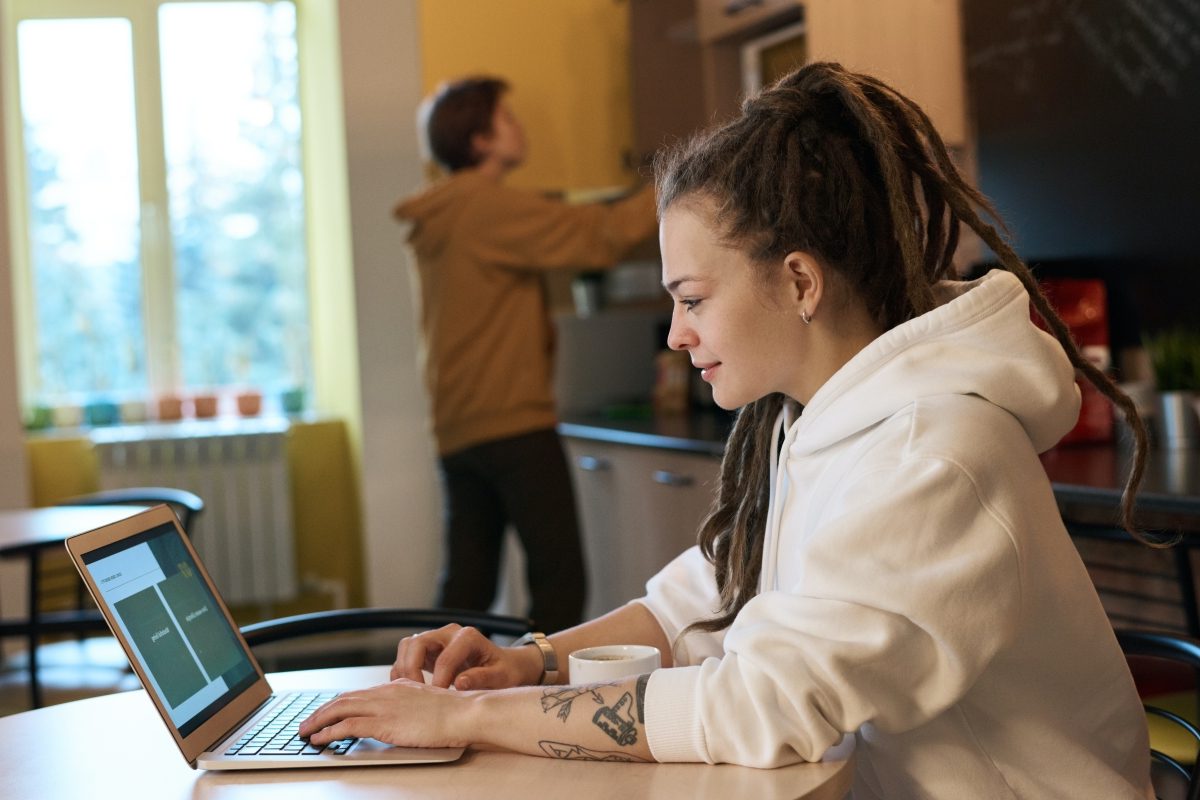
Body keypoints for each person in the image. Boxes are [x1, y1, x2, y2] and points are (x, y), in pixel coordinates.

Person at [301, 63, 1155, 798]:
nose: (676, 334)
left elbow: (760, 708)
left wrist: (472, 718)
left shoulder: (929, 454)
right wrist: (534, 660)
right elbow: (711, 591)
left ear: (799, 282)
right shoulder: (823, 417)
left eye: (693, 299)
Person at [394, 76, 658, 634]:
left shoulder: (443, 212)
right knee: (560, 582)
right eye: (507, 118)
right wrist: (684, 177)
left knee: (467, 587)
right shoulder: (484, 205)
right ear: (481, 140)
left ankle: (425, 695)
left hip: (458, 426)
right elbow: (599, 235)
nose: (521, 126)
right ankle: (543, 704)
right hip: (514, 423)